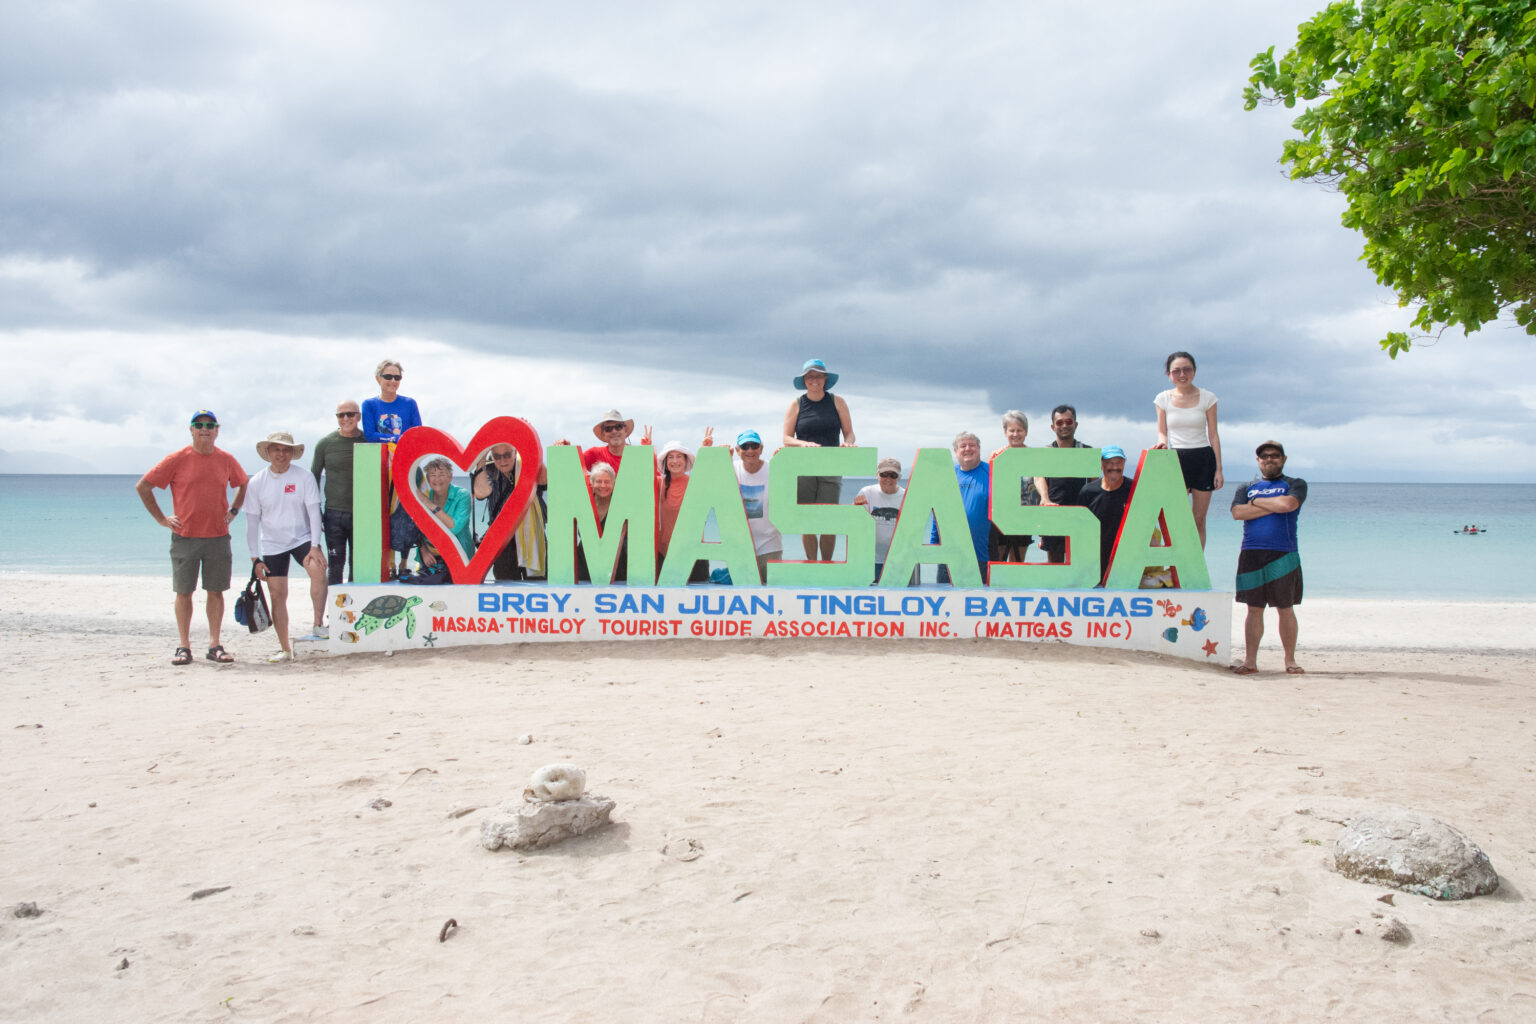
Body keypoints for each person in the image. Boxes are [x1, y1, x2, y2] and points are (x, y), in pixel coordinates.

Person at [136, 410, 249, 666]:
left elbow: (243, 483)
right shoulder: (177, 459)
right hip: (185, 537)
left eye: (210, 425)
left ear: (217, 430)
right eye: (199, 425)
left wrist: (233, 510)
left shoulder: (226, 459)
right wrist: (161, 519)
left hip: (218, 537)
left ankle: (214, 644)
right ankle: (183, 646)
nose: (204, 429)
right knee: (184, 592)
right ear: (191, 430)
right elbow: (143, 486)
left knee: (216, 591)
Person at [246, 431, 327, 663]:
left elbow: (313, 511)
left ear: (292, 453)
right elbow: (252, 522)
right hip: (272, 544)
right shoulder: (257, 482)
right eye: (276, 449)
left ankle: (318, 624)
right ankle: (284, 649)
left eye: (286, 450)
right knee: (277, 595)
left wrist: (315, 545)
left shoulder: (304, 477)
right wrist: (255, 559)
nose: (281, 454)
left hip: (302, 539)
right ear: (268, 453)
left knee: (319, 571)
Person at [1231, 441, 1307, 675]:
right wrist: (1271, 505)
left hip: (1283, 553)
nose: (1269, 459)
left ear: (1283, 459)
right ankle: (1250, 661)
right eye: (1264, 456)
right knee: (1254, 608)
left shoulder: (1295, 484)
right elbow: (1237, 513)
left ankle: (1290, 660)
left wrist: (1255, 503)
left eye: (1275, 456)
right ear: (1258, 461)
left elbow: (1288, 504)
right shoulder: (1246, 487)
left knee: (1285, 608)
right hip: (1251, 553)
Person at [782, 358, 856, 561]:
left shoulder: (837, 402)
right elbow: (786, 438)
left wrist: (848, 444)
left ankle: (827, 563)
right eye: (810, 376)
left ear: (825, 379)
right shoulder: (796, 404)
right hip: (803, 468)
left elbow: (849, 433)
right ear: (804, 380)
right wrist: (803, 443)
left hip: (831, 466)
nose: (814, 380)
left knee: (829, 519)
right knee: (807, 519)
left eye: (818, 376)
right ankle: (811, 563)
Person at [1153, 351, 1223, 548]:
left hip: (1203, 458)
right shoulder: (1162, 399)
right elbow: (1162, 432)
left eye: (1187, 369)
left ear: (1194, 371)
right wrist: (1162, 444)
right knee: (1174, 518)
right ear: (1169, 374)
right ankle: (1176, 564)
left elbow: (1214, 435)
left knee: (1198, 519)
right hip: (1176, 459)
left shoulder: (1208, 398)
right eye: (1176, 371)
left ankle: (1196, 569)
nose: (1182, 374)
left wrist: (1219, 469)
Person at [471, 442, 548, 581]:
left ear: (515, 453)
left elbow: (545, 481)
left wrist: (528, 446)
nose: (502, 461)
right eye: (497, 456)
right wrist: (482, 456)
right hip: (503, 541)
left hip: (533, 535)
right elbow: (481, 493)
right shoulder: (489, 471)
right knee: (504, 585)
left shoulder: (527, 467)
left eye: (507, 455)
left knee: (540, 584)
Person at [310, 398, 363, 585]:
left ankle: (354, 610)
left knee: (358, 566)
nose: (346, 418)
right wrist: (315, 512)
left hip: (362, 514)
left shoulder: (368, 441)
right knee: (336, 564)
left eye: (350, 414)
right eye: (341, 415)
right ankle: (335, 612)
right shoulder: (325, 444)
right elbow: (313, 477)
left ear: (359, 416)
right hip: (334, 515)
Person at [931, 432, 993, 584]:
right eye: (963, 446)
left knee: (980, 600)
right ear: (955, 451)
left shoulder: (992, 472)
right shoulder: (948, 475)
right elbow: (938, 510)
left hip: (981, 553)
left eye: (972, 445)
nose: (967, 449)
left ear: (979, 449)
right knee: (946, 600)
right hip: (949, 553)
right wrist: (933, 542)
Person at [1034, 405, 1092, 565]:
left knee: (1081, 564)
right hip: (1053, 511)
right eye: (1060, 423)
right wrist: (1044, 499)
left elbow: (1095, 483)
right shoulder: (1047, 452)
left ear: (1075, 424)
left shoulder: (1086, 452)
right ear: (1053, 427)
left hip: (1080, 514)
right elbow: (1038, 477)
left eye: (1068, 421)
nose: (1064, 425)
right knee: (1055, 565)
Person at [656, 436, 713, 583]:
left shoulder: (695, 483)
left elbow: (710, 478)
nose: (675, 461)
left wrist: (706, 450)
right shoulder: (659, 483)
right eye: (670, 457)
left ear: (686, 460)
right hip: (665, 552)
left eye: (679, 457)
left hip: (694, 552)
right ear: (665, 462)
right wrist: (646, 446)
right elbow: (642, 475)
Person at [731, 430, 783, 583]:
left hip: (769, 545)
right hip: (740, 546)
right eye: (745, 446)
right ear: (737, 450)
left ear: (761, 448)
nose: (750, 450)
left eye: (754, 446)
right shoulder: (731, 469)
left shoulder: (773, 469)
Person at [1077, 446, 1133, 586]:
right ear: (1101, 464)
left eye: (1119, 462)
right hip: (1094, 562)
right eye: (1110, 462)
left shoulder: (1134, 489)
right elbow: (1079, 529)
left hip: (1126, 561)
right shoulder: (1088, 491)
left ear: (1124, 464)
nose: (1115, 467)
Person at [989, 409, 1040, 564]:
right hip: (1001, 513)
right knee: (1000, 557)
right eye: (1012, 430)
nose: (1016, 434)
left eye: (1020, 430)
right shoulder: (997, 455)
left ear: (1026, 432)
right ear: (1005, 432)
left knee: (1018, 560)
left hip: (1025, 514)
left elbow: (1039, 478)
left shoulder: (1033, 456)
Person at [412, 457, 474, 579]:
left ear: (450, 477)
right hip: (429, 556)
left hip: (459, 556)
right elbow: (416, 528)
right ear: (428, 479)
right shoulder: (425, 495)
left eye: (441, 474)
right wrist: (423, 551)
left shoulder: (462, 495)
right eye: (432, 475)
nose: (437, 479)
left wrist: (431, 506)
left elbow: (454, 527)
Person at [854, 456, 910, 584]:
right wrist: (856, 510)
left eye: (893, 475)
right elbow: (855, 525)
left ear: (899, 477)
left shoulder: (906, 496)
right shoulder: (866, 492)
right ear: (877, 475)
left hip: (898, 561)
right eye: (884, 474)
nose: (888, 479)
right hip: (871, 560)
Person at [576, 462, 628, 583]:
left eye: (607, 481)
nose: (603, 485)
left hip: (617, 563)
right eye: (598, 481)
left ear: (614, 484)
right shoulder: (584, 503)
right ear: (592, 483)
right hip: (585, 561)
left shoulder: (621, 505)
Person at [553, 410, 639, 474]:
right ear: (604, 434)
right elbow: (570, 466)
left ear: (625, 430)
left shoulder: (638, 456)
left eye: (618, 427)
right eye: (608, 429)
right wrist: (565, 450)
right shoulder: (594, 454)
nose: (614, 431)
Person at [361, 358, 422, 444]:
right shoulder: (368, 405)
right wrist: (399, 438)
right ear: (378, 379)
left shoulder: (410, 404)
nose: (393, 381)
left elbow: (418, 435)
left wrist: (386, 438)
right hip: (379, 456)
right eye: (388, 377)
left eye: (397, 377)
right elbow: (370, 436)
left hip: (404, 455)